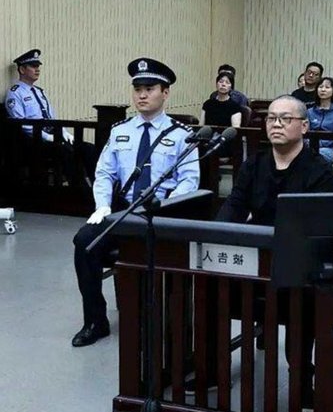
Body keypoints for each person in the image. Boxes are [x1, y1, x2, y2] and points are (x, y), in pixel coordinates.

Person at [216, 95, 333, 407]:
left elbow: (317, 226)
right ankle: (211, 368)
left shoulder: (320, 170)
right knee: (209, 284)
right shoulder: (254, 164)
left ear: (304, 126)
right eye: (271, 118)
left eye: (285, 118)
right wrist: (217, 234)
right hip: (255, 260)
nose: (276, 124)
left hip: (296, 266)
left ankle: (301, 377)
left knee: (304, 297)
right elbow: (234, 206)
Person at [70, 58, 200, 347]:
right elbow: (104, 173)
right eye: (138, 89)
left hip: (160, 213)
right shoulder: (120, 131)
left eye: (149, 89)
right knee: (84, 243)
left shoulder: (181, 135)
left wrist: (167, 209)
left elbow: (189, 181)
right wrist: (102, 205)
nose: (142, 95)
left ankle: (165, 323)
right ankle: (95, 321)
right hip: (124, 211)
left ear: (165, 93)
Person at [5, 49, 97, 183]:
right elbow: (22, 124)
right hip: (34, 140)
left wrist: (64, 133)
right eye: (33, 66)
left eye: (38, 66)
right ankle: (78, 188)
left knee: (88, 148)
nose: (37, 69)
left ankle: (97, 186)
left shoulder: (39, 92)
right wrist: (47, 137)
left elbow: (52, 117)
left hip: (52, 134)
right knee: (65, 151)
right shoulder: (15, 93)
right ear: (22, 69)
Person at [306, 77, 333, 163]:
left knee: (315, 155)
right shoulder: (309, 112)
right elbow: (305, 133)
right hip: (311, 147)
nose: (323, 90)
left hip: (331, 149)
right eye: (320, 87)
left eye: (327, 87)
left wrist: (319, 144)